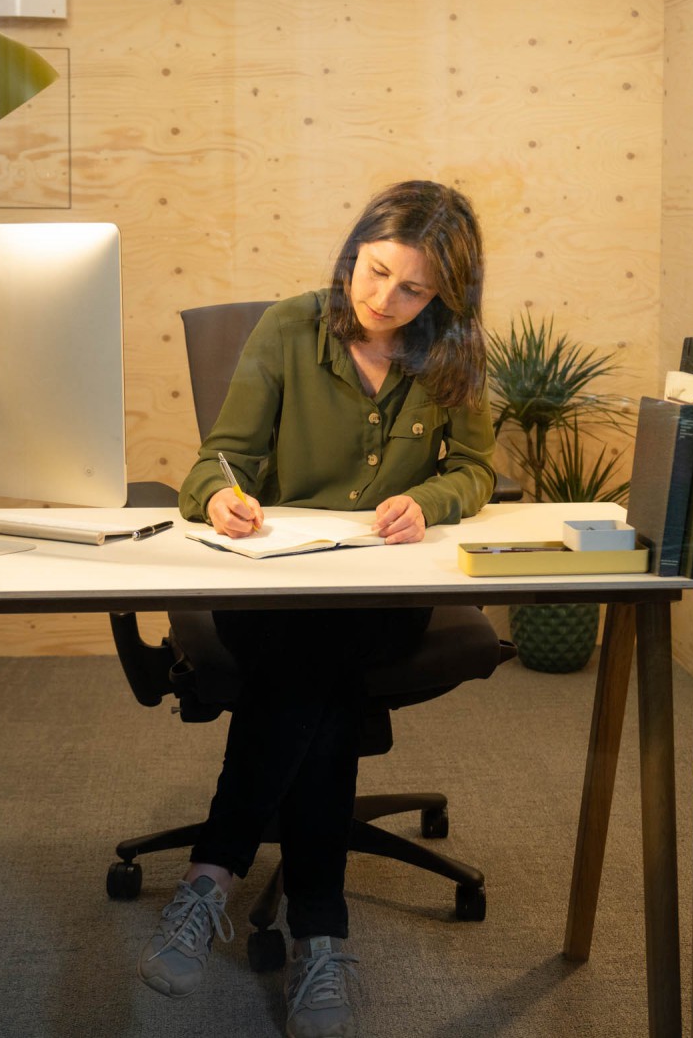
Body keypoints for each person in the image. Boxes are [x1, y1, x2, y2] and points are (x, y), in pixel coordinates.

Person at [137, 180, 496, 1038]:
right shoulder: (292, 326)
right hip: (272, 592)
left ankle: (212, 876)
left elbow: (479, 469)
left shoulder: (450, 354)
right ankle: (320, 936)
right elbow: (216, 462)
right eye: (374, 273)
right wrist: (222, 499)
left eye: (412, 289)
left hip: (381, 593)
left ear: (445, 294)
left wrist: (432, 500)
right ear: (352, 255)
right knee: (320, 684)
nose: (384, 300)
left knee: (314, 670)